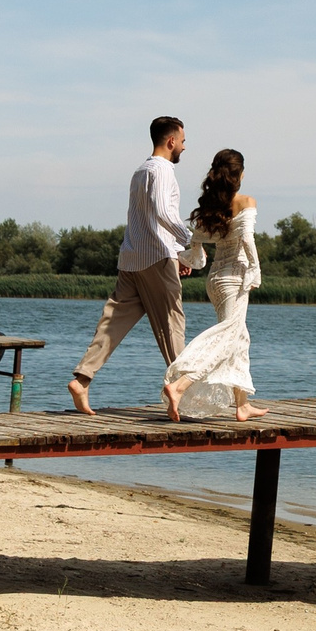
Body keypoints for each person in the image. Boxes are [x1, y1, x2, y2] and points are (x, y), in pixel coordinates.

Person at [66, 117, 206, 413]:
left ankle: (82, 379)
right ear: (171, 141)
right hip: (156, 257)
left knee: (114, 321)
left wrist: (176, 253)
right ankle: (182, 391)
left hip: (132, 257)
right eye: (182, 140)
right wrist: (189, 243)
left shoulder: (140, 171)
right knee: (172, 324)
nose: (184, 146)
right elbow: (163, 213)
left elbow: (141, 219)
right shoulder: (163, 170)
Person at [160, 149, 264, 422]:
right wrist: (255, 270)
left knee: (238, 338)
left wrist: (190, 257)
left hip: (215, 281)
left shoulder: (212, 209)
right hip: (234, 279)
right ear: (238, 174)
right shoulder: (246, 201)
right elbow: (247, 240)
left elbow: (196, 248)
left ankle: (242, 405)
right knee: (227, 337)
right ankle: (179, 386)